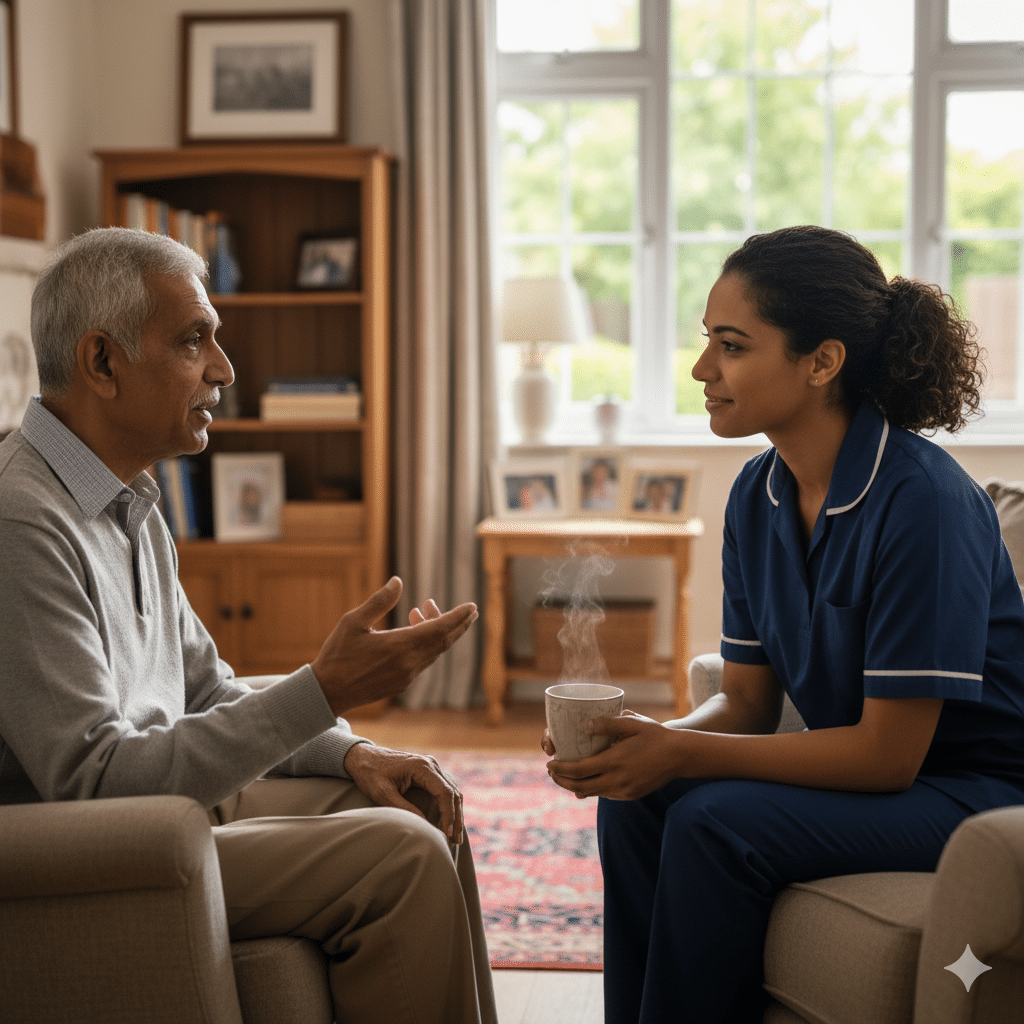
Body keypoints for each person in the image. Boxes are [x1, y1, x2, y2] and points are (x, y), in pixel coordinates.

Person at [0, 228, 497, 1024]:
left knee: (416, 807)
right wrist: (324, 687)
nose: (224, 371)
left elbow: (205, 689)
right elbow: (89, 786)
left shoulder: (126, 499)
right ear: (102, 363)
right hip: (102, 853)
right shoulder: (21, 521)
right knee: (400, 857)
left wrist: (356, 750)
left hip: (176, 812)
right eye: (194, 340)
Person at [543, 225, 1024, 1023]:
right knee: (635, 801)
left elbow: (888, 755)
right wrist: (646, 741)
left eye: (731, 346)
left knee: (712, 823)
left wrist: (680, 754)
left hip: (979, 795)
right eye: (707, 342)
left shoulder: (925, 504)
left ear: (822, 362)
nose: (702, 370)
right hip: (893, 779)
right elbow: (744, 703)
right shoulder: (755, 494)